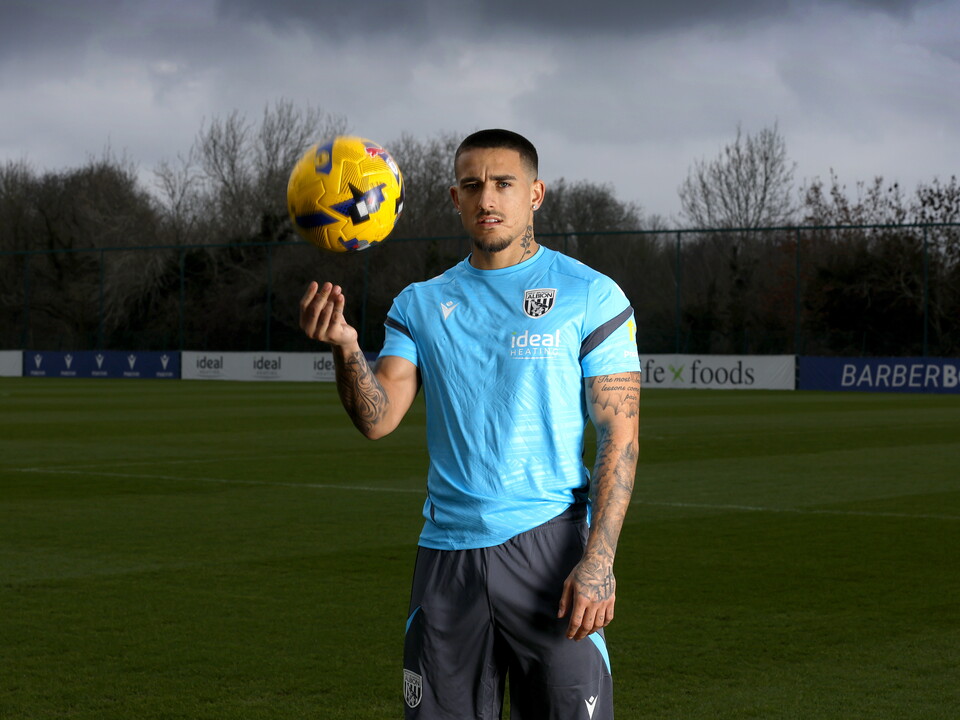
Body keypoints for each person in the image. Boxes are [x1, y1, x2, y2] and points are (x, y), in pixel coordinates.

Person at [299, 129, 641, 719]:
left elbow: (620, 436)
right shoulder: (420, 304)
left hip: (550, 553)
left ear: (535, 194)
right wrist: (346, 348)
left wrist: (599, 559)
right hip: (447, 560)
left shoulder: (591, 295)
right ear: (454, 198)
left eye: (504, 184)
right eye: (472, 185)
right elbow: (378, 419)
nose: (488, 198)